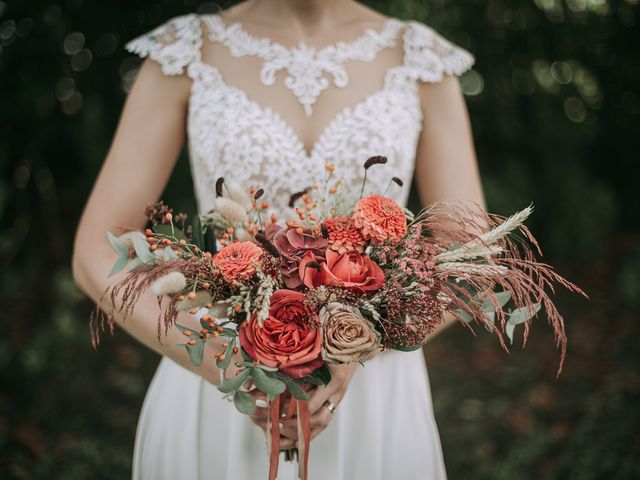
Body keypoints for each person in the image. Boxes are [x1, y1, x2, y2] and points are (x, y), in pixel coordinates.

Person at [71, 0, 485, 478]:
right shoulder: (184, 52)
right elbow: (94, 251)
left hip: (373, 393)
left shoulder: (421, 61)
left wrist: (359, 344)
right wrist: (224, 365)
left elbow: (470, 260)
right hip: (219, 387)